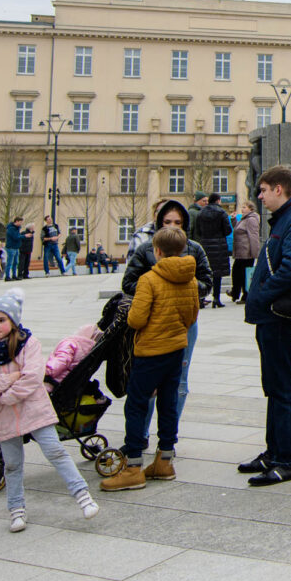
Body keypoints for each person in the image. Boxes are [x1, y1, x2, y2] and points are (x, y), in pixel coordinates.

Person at [0, 288, 99, 527]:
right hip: (5, 419)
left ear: (13, 321)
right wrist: (4, 381)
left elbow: (32, 377)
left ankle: (83, 496)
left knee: (56, 452)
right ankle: (16, 510)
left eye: (1, 320)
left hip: (35, 411)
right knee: (12, 464)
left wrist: (2, 395)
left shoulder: (29, 344)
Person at [101, 226, 199, 491]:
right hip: (176, 348)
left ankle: (133, 466)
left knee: (137, 404)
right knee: (168, 403)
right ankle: (164, 460)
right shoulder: (190, 279)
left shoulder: (149, 279)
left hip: (150, 351)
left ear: (156, 251)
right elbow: (192, 315)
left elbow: (136, 319)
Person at [239, 166, 291, 486]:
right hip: (270, 315)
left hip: (279, 315)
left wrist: (264, 294)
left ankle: (287, 460)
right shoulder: (283, 220)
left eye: (264, 189)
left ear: (279, 190)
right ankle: (273, 452)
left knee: (283, 388)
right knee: (273, 385)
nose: (260, 195)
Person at [121, 200, 213, 443]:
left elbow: (206, 283)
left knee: (178, 383)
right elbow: (128, 283)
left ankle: (168, 440)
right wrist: (157, 288)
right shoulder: (147, 250)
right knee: (149, 387)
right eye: (167, 222)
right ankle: (142, 434)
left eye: (178, 223)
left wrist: (186, 289)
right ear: (159, 222)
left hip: (182, 325)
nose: (172, 226)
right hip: (153, 323)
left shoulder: (194, 249)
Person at [193, 193, 233, 307]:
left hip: (205, 244)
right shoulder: (222, 213)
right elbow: (228, 230)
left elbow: (198, 231)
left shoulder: (201, 213)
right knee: (217, 273)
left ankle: (202, 298)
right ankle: (216, 298)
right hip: (219, 245)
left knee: (204, 271)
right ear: (218, 201)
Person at [230, 202, 262, 304]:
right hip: (241, 252)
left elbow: (253, 236)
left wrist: (254, 253)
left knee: (243, 274)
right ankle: (236, 293)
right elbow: (238, 230)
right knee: (237, 272)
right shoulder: (244, 219)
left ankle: (245, 295)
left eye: (244, 207)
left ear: (250, 209)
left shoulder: (251, 219)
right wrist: (233, 220)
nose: (242, 209)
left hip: (246, 252)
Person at [3, 216, 24, 282]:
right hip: (11, 247)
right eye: (20, 222)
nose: (21, 223)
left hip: (16, 247)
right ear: (16, 221)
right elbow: (16, 237)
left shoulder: (17, 228)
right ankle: (7, 276)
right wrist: (24, 236)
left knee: (16, 262)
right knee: (10, 262)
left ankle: (14, 275)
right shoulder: (11, 229)